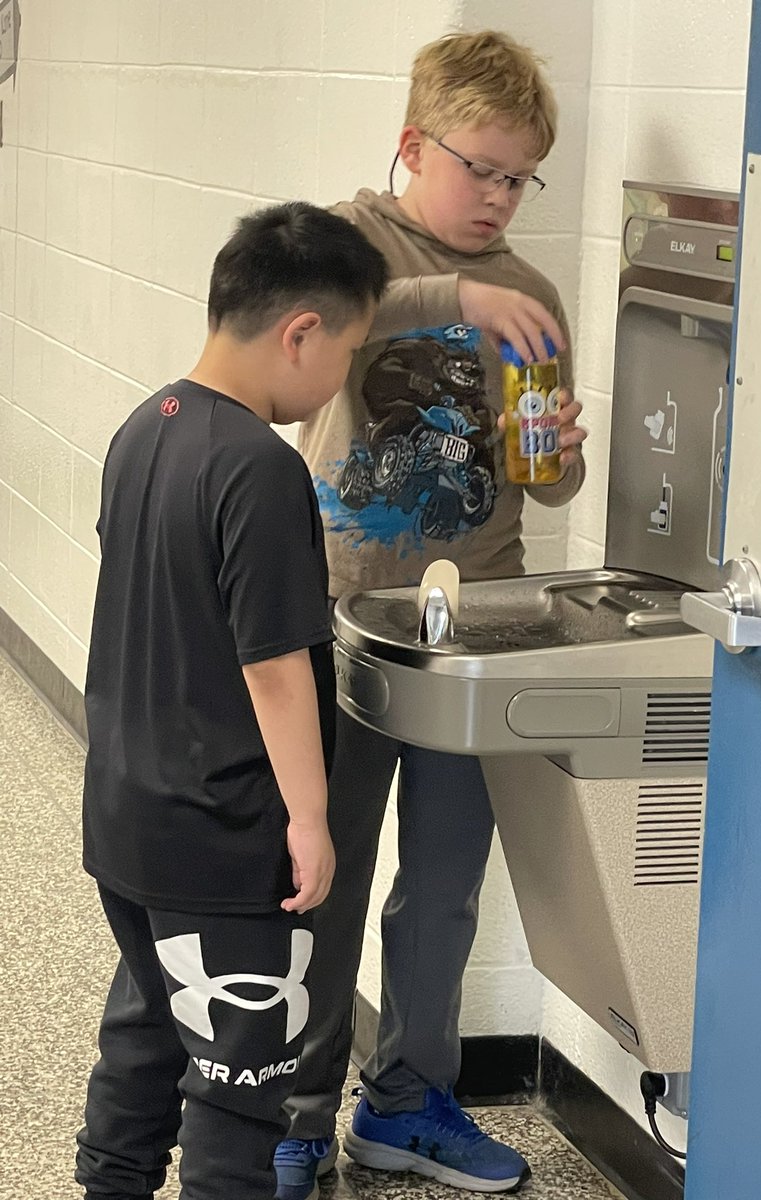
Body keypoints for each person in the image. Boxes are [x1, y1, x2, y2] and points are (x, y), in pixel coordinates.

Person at [274, 30, 588, 1200]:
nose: (500, 198)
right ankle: (296, 1111)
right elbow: (326, 320)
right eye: (481, 170)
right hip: (349, 618)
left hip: (479, 627)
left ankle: (404, 1100)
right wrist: (461, 294)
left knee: (446, 885)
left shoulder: (534, 292)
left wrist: (553, 455)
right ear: (414, 147)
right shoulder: (348, 244)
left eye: (521, 180)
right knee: (329, 874)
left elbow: (548, 480)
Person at [74, 202, 388, 1200]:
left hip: (128, 818)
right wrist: (310, 819)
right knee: (240, 1083)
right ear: (301, 330)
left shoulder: (145, 427)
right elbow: (275, 666)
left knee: (148, 1036)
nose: (340, 379)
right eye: (347, 351)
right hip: (220, 830)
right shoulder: (258, 467)